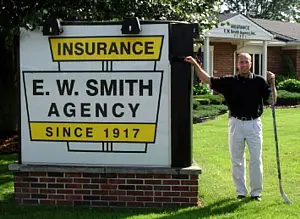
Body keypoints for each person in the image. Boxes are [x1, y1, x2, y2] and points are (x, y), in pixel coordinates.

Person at [184, 53, 277, 202]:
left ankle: (256, 193)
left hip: (254, 124)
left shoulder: (260, 82)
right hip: (236, 123)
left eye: (246, 62)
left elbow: (272, 100)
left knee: (256, 159)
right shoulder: (230, 81)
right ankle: (241, 192)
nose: (244, 65)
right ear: (237, 64)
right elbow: (208, 80)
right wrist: (195, 64)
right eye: (241, 62)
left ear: (251, 64)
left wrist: (272, 82)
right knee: (236, 159)